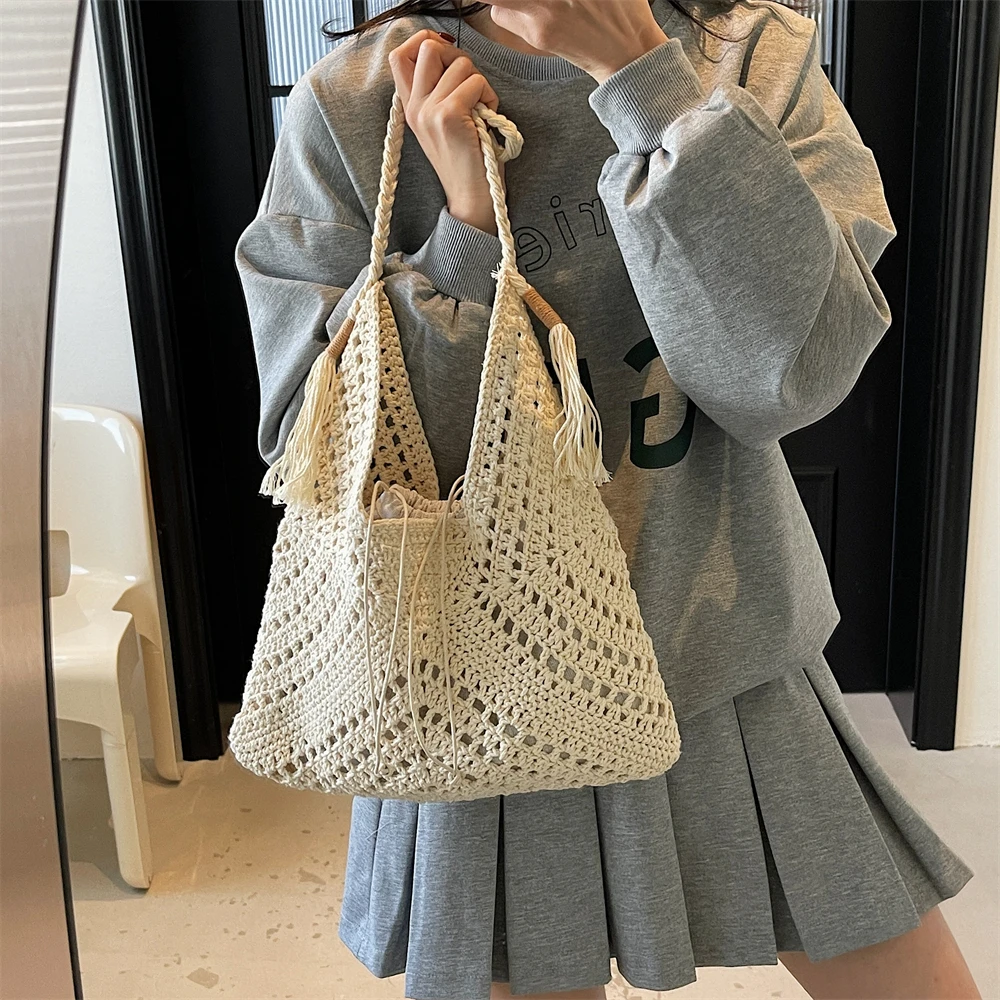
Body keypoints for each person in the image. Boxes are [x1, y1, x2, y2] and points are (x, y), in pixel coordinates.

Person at [234, 2, 980, 998]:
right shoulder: (360, 100)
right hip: (475, 688)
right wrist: (463, 239)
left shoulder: (751, 54)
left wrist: (647, 84)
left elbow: (788, 381)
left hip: (726, 653)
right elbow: (318, 449)